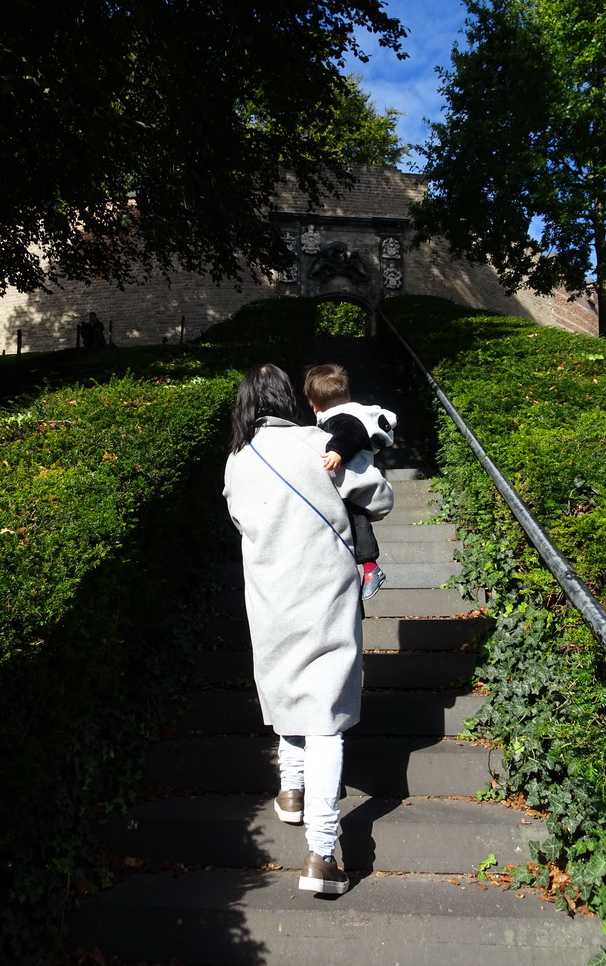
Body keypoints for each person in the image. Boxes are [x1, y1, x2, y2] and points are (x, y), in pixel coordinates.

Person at [223, 364, 393, 895]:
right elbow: (381, 498)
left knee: (290, 692)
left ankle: (291, 792)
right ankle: (322, 852)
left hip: (271, 600)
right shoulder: (321, 443)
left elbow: (239, 521)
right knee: (324, 720)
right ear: (290, 400)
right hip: (325, 594)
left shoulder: (236, 461)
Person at [303, 363, 397, 600]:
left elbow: (352, 432)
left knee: (355, 519)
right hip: (357, 480)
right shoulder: (349, 413)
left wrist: (336, 450)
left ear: (315, 406)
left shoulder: (339, 418)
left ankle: (370, 568)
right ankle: (366, 568)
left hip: (354, 484)